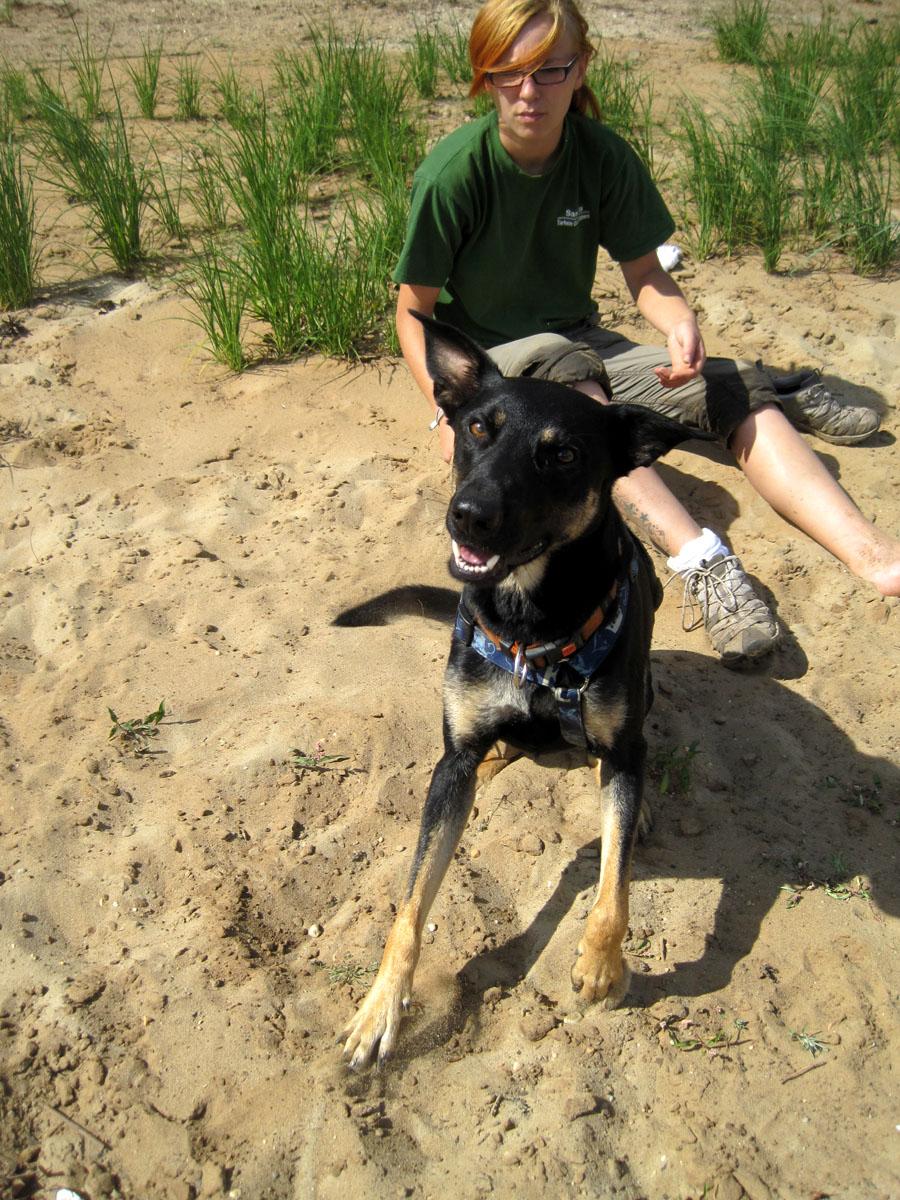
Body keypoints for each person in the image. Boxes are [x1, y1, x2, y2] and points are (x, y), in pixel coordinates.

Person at [393, 0, 900, 668]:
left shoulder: (600, 156)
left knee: (728, 388)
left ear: (581, 69)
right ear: (484, 77)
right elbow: (413, 309)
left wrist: (679, 321)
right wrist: (447, 408)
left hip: (579, 337)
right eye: (508, 72)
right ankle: (704, 563)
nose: (528, 90)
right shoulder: (455, 173)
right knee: (569, 378)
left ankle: (874, 554)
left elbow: (645, 272)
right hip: (497, 362)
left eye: (550, 70)